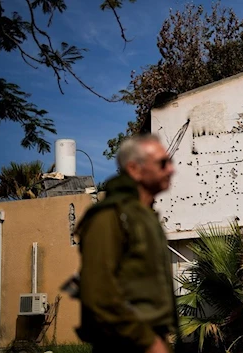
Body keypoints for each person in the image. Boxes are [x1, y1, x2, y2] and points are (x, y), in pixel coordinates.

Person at [75, 134, 178, 353]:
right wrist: (147, 341)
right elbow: (98, 294)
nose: (171, 169)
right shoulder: (110, 216)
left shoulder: (145, 215)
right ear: (134, 169)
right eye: (162, 163)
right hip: (124, 344)